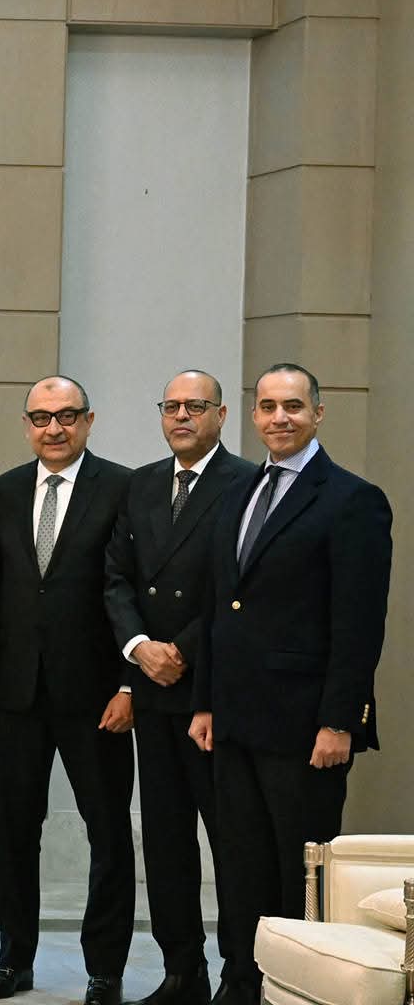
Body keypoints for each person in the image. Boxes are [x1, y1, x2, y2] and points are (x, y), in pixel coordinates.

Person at [192, 362, 393, 1005]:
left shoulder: (352, 499)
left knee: (295, 870)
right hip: (235, 718)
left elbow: (359, 624)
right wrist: (205, 702)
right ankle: (241, 981)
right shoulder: (239, 491)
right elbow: (219, 607)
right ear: (254, 415)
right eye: (269, 406)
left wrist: (340, 720)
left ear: (318, 413)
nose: (280, 417)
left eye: (294, 406)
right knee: (239, 862)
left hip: (306, 726)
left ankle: (292, 987)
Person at [0, 376, 135, 1005]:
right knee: (15, 833)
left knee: (108, 835)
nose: (54, 428)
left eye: (67, 416)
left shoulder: (121, 488)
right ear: (26, 425)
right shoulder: (5, 490)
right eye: (41, 418)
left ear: (89, 421)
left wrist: (130, 685)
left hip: (99, 696)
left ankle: (105, 969)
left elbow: (132, 589)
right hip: (17, 693)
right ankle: (14, 960)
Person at [102, 370, 254, 1005]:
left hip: (210, 690)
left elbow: (238, 585)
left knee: (231, 839)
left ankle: (241, 973)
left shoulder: (247, 482)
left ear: (221, 415)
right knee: (165, 840)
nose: (182, 417)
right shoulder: (140, 484)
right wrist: (139, 648)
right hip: (152, 687)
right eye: (172, 407)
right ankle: (181, 969)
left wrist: (182, 651)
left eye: (196, 406)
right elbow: (116, 577)